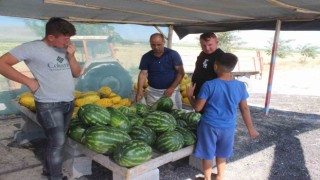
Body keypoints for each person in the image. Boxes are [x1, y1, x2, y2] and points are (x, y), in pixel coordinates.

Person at [0, 17, 81, 180]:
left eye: (70, 38)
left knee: (57, 142)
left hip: (68, 102)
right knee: (57, 143)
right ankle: (55, 177)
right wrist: (29, 82)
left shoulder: (64, 49)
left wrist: (71, 56)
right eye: (65, 38)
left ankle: (48, 172)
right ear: (51, 37)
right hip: (50, 105)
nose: (68, 41)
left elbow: (76, 73)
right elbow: (2, 63)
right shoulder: (32, 48)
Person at [186, 53, 260, 180]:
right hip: (228, 127)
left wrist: (189, 96)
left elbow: (198, 108)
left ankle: (207, 178)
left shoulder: (209, 85)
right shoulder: (241, 86)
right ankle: (220, 177)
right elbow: (244, 108)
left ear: (215, 66)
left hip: (209, 126)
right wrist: (251, 128)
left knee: (208, 154)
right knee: (222, 153)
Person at [135, 33, 185, 109]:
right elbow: (143, 74)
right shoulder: (146, 57)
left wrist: (172, 88)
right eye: (153, 45)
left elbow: (181, 72)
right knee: (154, 115)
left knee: (175, 114)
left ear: (163, 42)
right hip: (153, 92)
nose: (156, 47)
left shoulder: (173, 54)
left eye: (159, 45)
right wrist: (139, 90)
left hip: (172, 92)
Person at [192, 32, 224, 98]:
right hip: (199, 91)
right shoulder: (202, 54)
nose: (207, 48)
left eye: (210, 45)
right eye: (203, 45)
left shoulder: (222, 56)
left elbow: (224, 78)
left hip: (213, 94)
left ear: (216, 43)